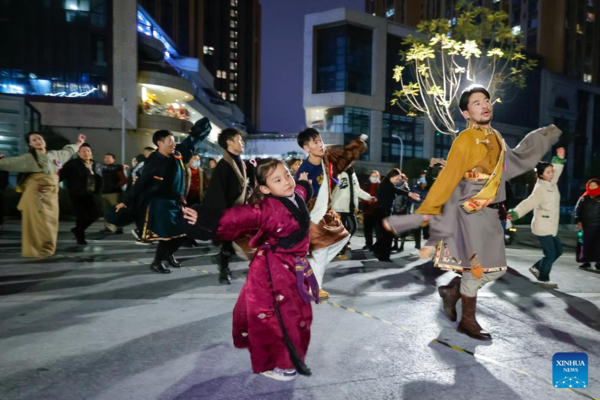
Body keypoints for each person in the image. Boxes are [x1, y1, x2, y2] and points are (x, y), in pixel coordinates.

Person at [384, 85, 562, 341]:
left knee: (497, 269)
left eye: (486, 100)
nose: (484, 105)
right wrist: (426, 211)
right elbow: (449, 176)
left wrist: (543, 137)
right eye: (477, 103)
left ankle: (453, 291)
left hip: (492, 213)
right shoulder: (465, 139)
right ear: (466, 113)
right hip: (470, 211)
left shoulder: (497, 136)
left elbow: (512, 164)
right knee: (477, 269)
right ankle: (468, 320)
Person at [183, 159, 318, 381]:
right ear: (265, 189)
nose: (286, 182)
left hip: (295, 268)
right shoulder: (266, 208)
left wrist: (305, 183)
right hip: (271, 272)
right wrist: (205, 218)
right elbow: (239, 216)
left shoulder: (295, 197)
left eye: (287, 175)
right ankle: (281, 363)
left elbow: (302, 191)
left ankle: (288, 362)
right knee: (271, 316)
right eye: (278, 180)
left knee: (296, 315)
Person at [111, 118, 212, 274]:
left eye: (173, 141)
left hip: (177, 202)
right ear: (159, 143)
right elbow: (141, 184)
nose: (173, 144)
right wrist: (125, 201)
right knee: (168, 235)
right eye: (170, 141)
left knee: (185, 232)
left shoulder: (178, 154)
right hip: (160, 204)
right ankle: (157, 262)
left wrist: (203, 124)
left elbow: (193, 140)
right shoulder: (153, 161)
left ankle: (169, 255)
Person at [295, 128, 368, 298]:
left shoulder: (325, 159)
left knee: (341, 238)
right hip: (312, 216)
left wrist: (356, 146)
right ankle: (314, 286)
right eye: (315, 142)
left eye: (320, 140)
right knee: (321, 251)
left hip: (326, 213)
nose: (320, 144)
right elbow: (299, 198)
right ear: (307, 148)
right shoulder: (305, 170)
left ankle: (308, 269)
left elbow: (342, 160)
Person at [0, 132, 85, 257]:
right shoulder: (29, 158)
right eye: (34, 140)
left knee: (51, 223)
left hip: (51, 195)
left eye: (39, 138)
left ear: (44, 140)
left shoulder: (55, 155)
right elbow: (10, 163)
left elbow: (68, 151)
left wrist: (79, 143)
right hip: (35, 195)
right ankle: (35, 250)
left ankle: (47, 248)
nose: (38, 141)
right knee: (37, 223)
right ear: (31, 144)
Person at [508, 148, 566, 288]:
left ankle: (537, 268)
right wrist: (515, 213)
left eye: (552, 171)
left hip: (550, 226)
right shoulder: (540, 189)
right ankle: (543, 279)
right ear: (540, 175)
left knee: (558, 251)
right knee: (550, 253)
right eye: (548, 172)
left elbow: (556, 172)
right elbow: (529, 202)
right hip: (542, 225)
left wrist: (558, 159)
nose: (552, 174)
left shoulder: (551, 183)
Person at [202, 128, 248, 284]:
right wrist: (222, 214)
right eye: (239, 140)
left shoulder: (239, 160)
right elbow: (217, 192)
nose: (242, 143)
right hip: (228, 211)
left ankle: (221, 261)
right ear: (229, 142)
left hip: (239, 209)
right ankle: (224, 271)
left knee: (231, 243)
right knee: (228, 241)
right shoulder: (223, 165)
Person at [372, 169, 419, 262]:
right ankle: (377, 250)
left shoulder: (387, 184)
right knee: (388, 235)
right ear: (392, 177)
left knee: (388, 236)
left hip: (385, 212)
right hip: (382, 212)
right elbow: (396, 190)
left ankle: (383, 255)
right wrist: (409, 194)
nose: (398, 181)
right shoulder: (386, 185)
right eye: (397, 179)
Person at [60, 143, 103, 244]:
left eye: (88, 151)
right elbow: (61, 176)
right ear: (78, 153)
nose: (86, 153)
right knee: (81, 216)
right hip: (77, 194)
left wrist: (99, 191)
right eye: (83, 151)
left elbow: (100, 179)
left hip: (91, 194)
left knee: (95, 214)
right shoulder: (72, 164)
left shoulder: (97, 164)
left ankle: (78, 230)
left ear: (91, 152)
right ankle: (81, 238)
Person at [331, 166, 375, 259]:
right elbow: (338, 189)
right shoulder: (341, 173)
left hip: (350, 207)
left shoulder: (353, 174)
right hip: (341, 206)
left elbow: (357, 190)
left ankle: (341, 246)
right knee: (347, 228)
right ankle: (339, 251)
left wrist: (369, 197)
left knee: (351, 227)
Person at [98, 153, 127, 234]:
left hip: (115, 193)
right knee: (106, 211)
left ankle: (119, 227)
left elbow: (124, 179)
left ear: (113, 159)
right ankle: (109, 227)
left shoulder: (117, 168)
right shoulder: (102, 169)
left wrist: (116, 186)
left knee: (116, 210)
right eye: (105, 158)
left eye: (109, 158)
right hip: (104, 192)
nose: (107, 159)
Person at [575, 178, 600, 270]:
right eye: (590, 185)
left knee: (598, 245)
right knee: (584, 244)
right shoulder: (583, 198)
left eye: (595, 185)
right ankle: (586, 262)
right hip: (586, 225)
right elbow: (577, 211)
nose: (592, 187)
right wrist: (579, 221)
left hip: (598, 226)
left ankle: (598, 262)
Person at [361, 170, 381, 251]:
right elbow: (361, 196)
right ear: (370, 177)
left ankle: (378, 245)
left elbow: (382, 197)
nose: (374, 178)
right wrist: (367, 200)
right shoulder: (365, 185)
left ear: (378, 177)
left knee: (378, 229)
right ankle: (368, 244)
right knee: (367, 229)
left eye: (376, 176)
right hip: (367, 210)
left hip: (377, 211)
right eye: (373, 176)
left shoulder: (380, 186)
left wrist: (376, 200)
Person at [391, 173, 411, 253]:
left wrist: (401, 209)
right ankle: (395, 245)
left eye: (400, 178)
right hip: (395, 210)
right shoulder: (394, 187)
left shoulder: (406, 189)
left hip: (403, 212)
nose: (398, 180)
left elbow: (407, 202)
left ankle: (401, 246)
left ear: (404, 179)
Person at [411, 177, 430, 249]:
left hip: (426, 211)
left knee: (427, 229)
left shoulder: (429, 189)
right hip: (418, 210)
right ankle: (417, 245)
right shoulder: (416, 188)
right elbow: (415, 198)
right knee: (417, 229)